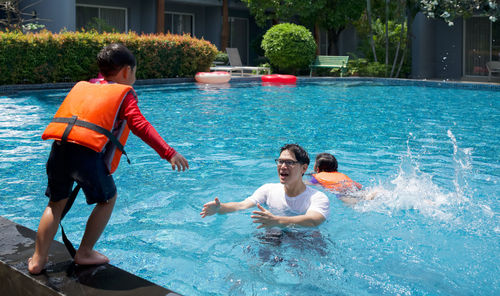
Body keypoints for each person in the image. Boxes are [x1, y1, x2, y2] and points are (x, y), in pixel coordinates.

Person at [28, 43, 189, 274]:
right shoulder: (124, 95)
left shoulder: (88, 86)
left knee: (55, 204)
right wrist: (169, 152)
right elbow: (139, 125)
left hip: (59, 150)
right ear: (126, 71)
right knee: (108, 199)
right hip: (87, 157)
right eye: (134, 71)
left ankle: (37, 261)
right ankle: (84, 253)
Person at [200, 144, 329, 228]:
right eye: (280, 161)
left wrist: (278, 221)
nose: (283, 166)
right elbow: (242, 205)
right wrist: (220, 208)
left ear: (304, 168)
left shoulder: (317, 197)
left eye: (289, 162)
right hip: (274, 236)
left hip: (305, 241)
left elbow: (314, 220)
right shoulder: (269, 190)